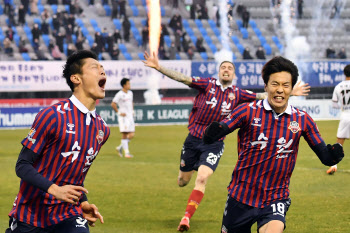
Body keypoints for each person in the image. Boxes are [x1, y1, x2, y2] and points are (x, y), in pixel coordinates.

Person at [142, 51, 310, 232]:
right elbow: (184, 79)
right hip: (193, 139)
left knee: (202, 177)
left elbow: (264, 96)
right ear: (219, 71)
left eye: (230, 68)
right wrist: (159, 67)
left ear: (234, 74)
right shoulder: (207, 85)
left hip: (215, 143)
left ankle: (186, 217)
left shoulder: (237, 93)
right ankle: (189, 169)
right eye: (223, 67)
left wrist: (290, 92)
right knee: (183, 181)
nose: (226, 70)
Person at [202, 56, 344, 233]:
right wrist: (213, 132)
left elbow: (323, 153)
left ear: (291, 89)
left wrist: (332, 155)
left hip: (275, 199)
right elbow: (223, 128)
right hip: (241, 197)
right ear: (266, 86)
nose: (280, 90)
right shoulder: (248, 111)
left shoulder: (302, 120)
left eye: (285, 85)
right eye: (275, 84)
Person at [6, 50, 110, 232]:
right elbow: (22, 165)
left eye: (102, 68)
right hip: (31, 215)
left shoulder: (102, 129)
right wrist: (54, 189)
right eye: (95, 68)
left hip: (68, 214)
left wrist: (83, 202)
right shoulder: (52, 116)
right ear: (76, 79)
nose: (102, 71)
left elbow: (74, 173)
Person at [327, 64, 350, 174]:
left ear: (344, 74)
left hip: (345, 115)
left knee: (339, 142)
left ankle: (333, 166)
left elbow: (335, 105)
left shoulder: (339, 86)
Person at [111, 78, 135, 158]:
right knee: (125, 134)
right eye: (128, 84)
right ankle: (127, 153)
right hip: (123, 117)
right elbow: (113, 104)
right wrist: (119, 113)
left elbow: (131, 102)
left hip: (130, 117)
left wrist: (132, 110)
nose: (129, 85)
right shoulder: (119, 94)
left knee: (131, 135)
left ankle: (120, 148)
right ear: (124, 85)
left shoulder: (130, 93)